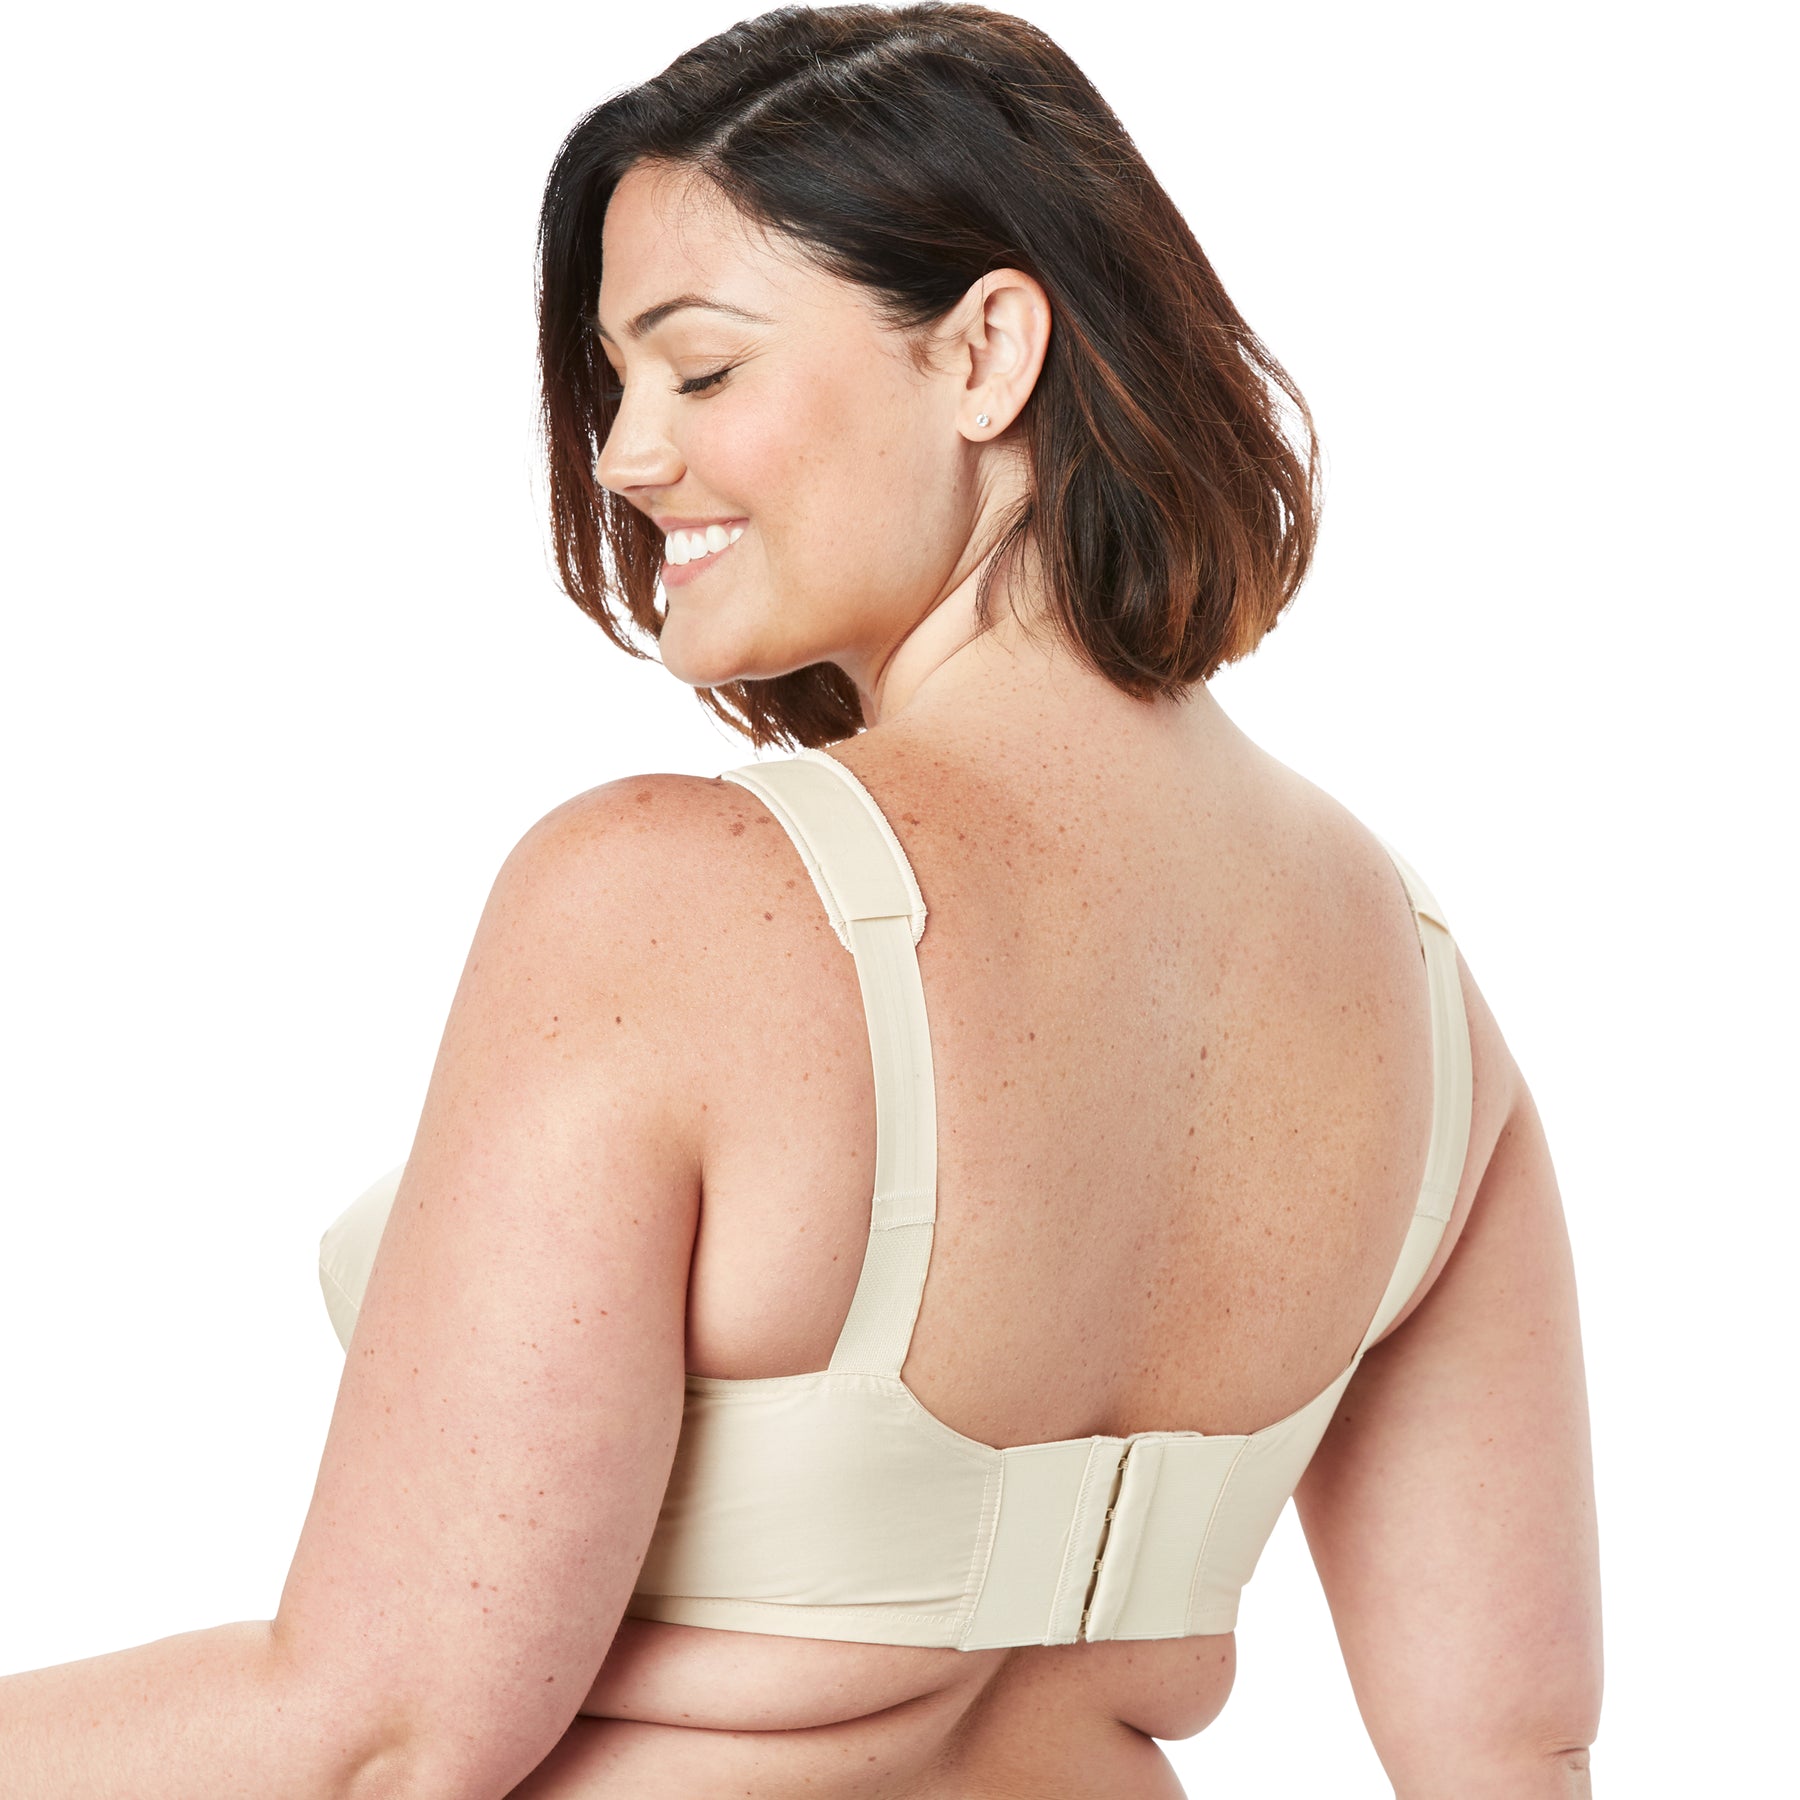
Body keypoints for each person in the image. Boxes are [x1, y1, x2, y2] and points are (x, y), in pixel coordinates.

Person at [0, 5, 1601, 1796]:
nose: (624, 457)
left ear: (987, 353)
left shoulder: (673, 903)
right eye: (616, 385)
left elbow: (382, 1732)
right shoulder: (1422, 1005)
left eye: (699, 371)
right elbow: (1513, 1758)